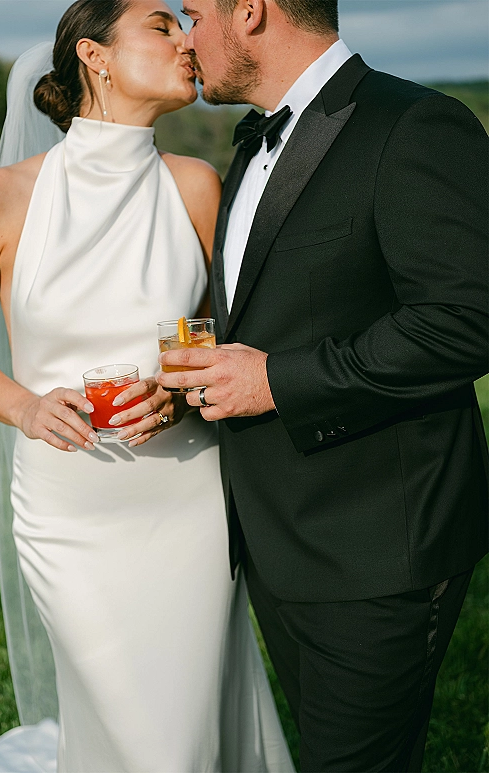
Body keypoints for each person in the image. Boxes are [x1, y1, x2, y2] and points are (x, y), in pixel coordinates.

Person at [0, 0, 295, 770]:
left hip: (186, 502)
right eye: (162, 26)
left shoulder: (197, 186)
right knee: (136, 729)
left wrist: (176, 390)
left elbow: (210, 339)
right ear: (95, 56)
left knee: (182, 729)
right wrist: (28, 406)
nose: (187, 41)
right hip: (68, 515)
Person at [157, 0, 489, 770]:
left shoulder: (414, 125)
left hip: (380, 543)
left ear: (250, 12)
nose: (187, 36)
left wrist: (276, 380)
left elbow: (468, 318)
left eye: (194, 14)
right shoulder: (249, 149)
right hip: (278, 542)